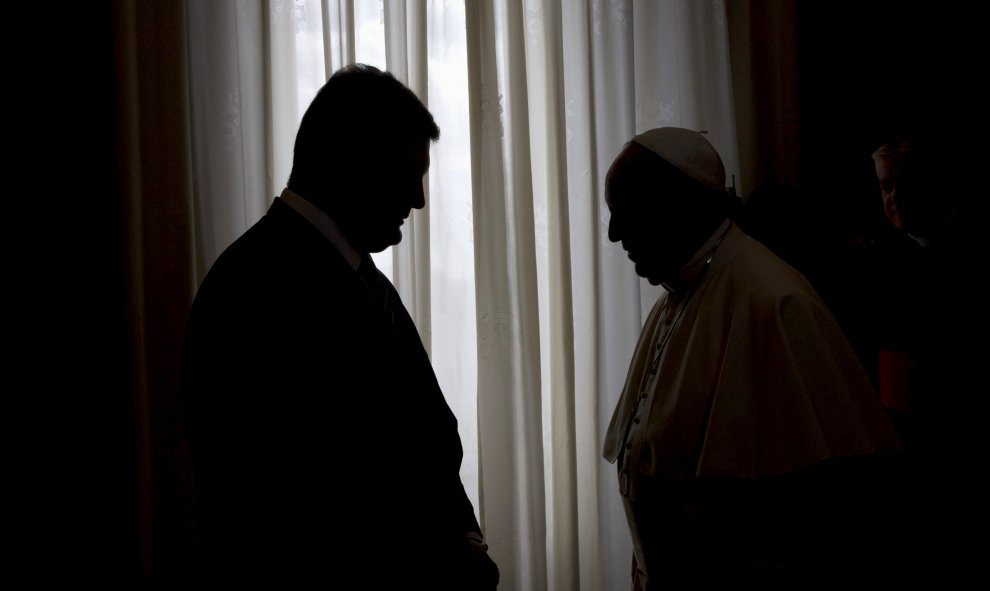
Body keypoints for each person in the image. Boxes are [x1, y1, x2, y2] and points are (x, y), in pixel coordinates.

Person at [176, 64, 498, 588]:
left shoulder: (359, 276)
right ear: (348, 167)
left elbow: (427, 434)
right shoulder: (255, 288)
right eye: (406, 174)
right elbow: (301, 498)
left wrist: (464, 538)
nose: (418, 200)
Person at [601, 127, 904, 587]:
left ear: (681, 205)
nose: (613, 234)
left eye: (627, 211)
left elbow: (821, 508)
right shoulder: (680, 294)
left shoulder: (773, 303)